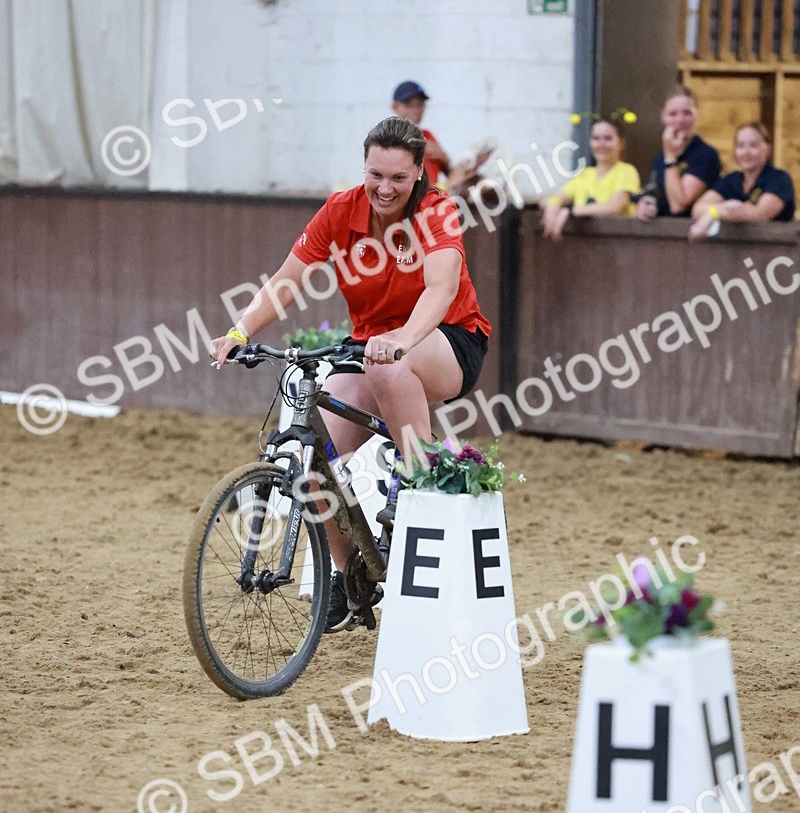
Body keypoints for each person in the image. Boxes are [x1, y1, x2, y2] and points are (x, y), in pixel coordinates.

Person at [210, 116, 491, 631]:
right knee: (311, 456)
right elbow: (287, 280)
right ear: (363, 167)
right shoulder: (341, 209)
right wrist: (240, 332)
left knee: (388, 365)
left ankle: (417, 479)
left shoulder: (437, 209)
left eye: (398, 178)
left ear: (419, 173)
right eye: (375, 175)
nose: (385, 188)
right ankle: (349, 577)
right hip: (372, 350)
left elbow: (441, 289)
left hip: (447, 340)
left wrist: (403, 339)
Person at [688, 122, 795, 240]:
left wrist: (714, 213)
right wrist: (720, 209)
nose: (746, 152)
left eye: (753, 145)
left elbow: (759, 214)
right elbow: (697, 209)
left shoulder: (779, 179)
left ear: (767, 148)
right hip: (737, 250)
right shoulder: (731, 180)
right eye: (740, 146)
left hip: (779, 249)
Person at [541, 116, 641, 242]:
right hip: (584, 245)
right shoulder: (585, 174)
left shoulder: (627, 171)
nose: (601, 144)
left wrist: (570, 212)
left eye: (608, 138)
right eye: (596, 138)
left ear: (621, 143)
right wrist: (553, 206)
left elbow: (614, 206)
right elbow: (553, 198)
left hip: (618, 244)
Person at [391, 80, 493, 193]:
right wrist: (449, 184)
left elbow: (451, 174)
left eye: (420, 104)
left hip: (436, 195)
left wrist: (446, 159)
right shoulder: (390, 139)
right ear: (395, 106)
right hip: (423, 199)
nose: (415, 110)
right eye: (409, 105)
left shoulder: (427, 135)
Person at [636, 86, 721, 221]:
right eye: (673, 114)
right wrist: (643, 206)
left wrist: (670, 159)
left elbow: (678, 205)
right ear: (663, 118)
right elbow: (654, 195)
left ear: (696, 115)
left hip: (693, 231)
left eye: (687, 113)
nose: (680, 120)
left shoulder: (705, 154)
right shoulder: (659, 159)